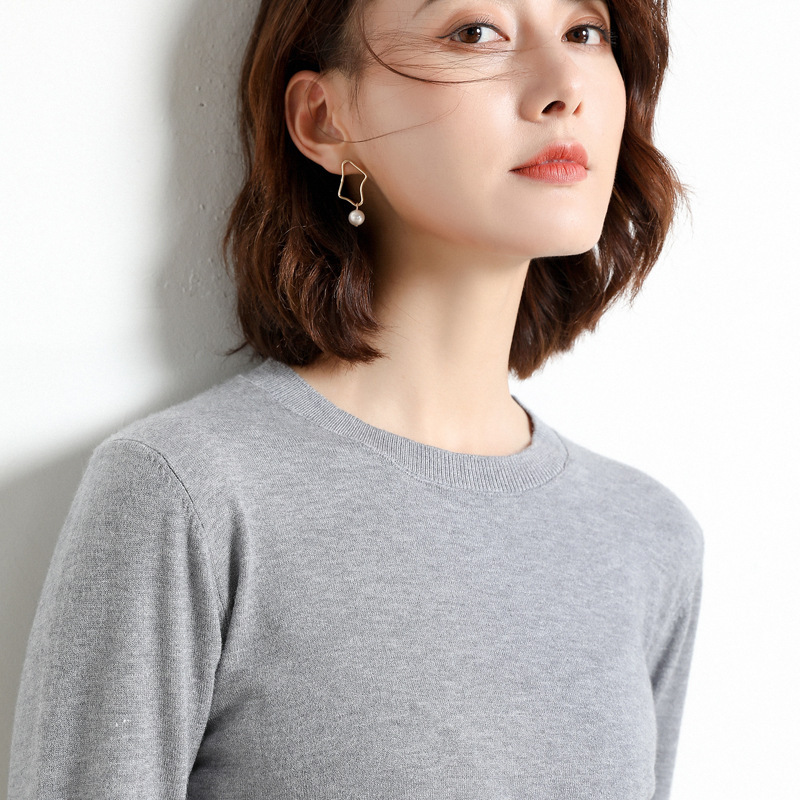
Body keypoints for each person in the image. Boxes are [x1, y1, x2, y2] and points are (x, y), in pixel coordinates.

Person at [9, 0, 704, 798]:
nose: (564, 86)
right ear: (324, 118)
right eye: (474, 33)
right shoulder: (190, 494)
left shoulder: (648, 538)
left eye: (586, 33)